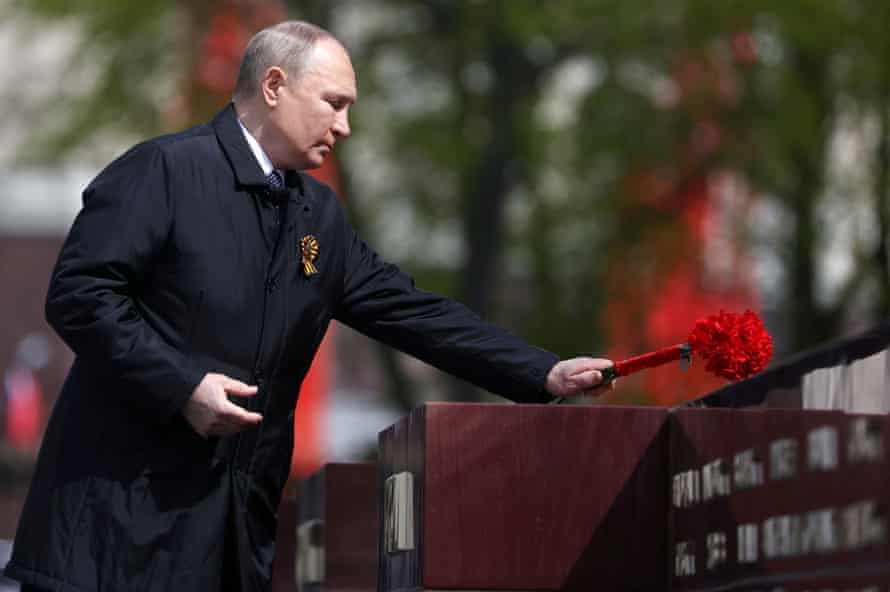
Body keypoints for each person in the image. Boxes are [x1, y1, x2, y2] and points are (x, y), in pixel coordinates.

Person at [5, 21, 613, 592]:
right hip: (111, 541)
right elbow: (80, 295)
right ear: (274, 86)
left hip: (231, 548)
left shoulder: (318, 217)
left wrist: (541, 371)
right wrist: (182, 386)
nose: (345, 127)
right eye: (335, 103)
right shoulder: (164, 170)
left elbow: (413, 312)